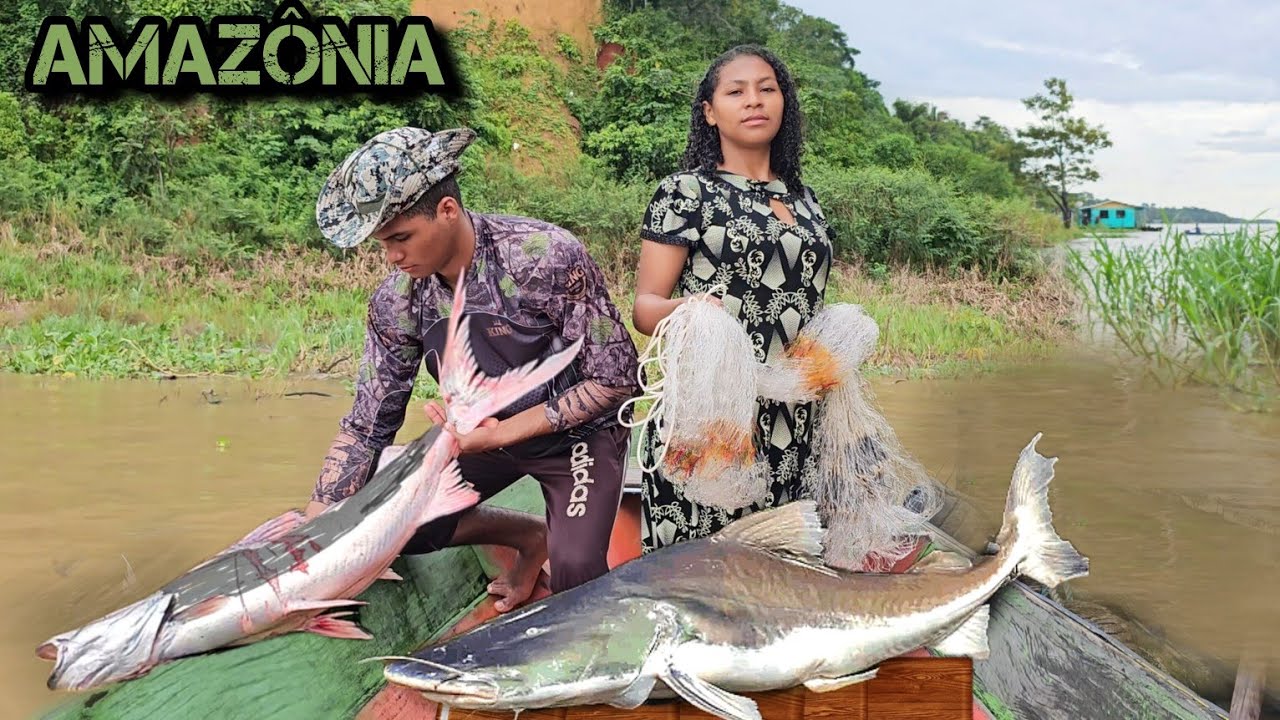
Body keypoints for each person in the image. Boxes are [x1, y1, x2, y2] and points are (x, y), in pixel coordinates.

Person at [307, 126, 641, 610]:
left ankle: (564, 559)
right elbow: (366, 426)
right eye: (383, 243)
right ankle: (527, 535)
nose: (393, 257)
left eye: (402, 237)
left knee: (577, 579)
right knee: (394, 531)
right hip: (476, 438)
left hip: (578, 438)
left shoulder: (541, 257)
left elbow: (616, 379)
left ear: (447, 210)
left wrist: (503, 434)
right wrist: (316, 530)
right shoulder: (397, 302)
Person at [631, 45, 837, 553]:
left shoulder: (804, 200)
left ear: (783, 104)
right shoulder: (686, 193)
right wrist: (695, 312)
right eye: (736, 91)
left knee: (783, 568)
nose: (754, 101)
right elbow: (645, 308)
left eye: (768, 89)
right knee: (705, 569)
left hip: (794, 416)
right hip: (714, 414)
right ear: (710, 112)